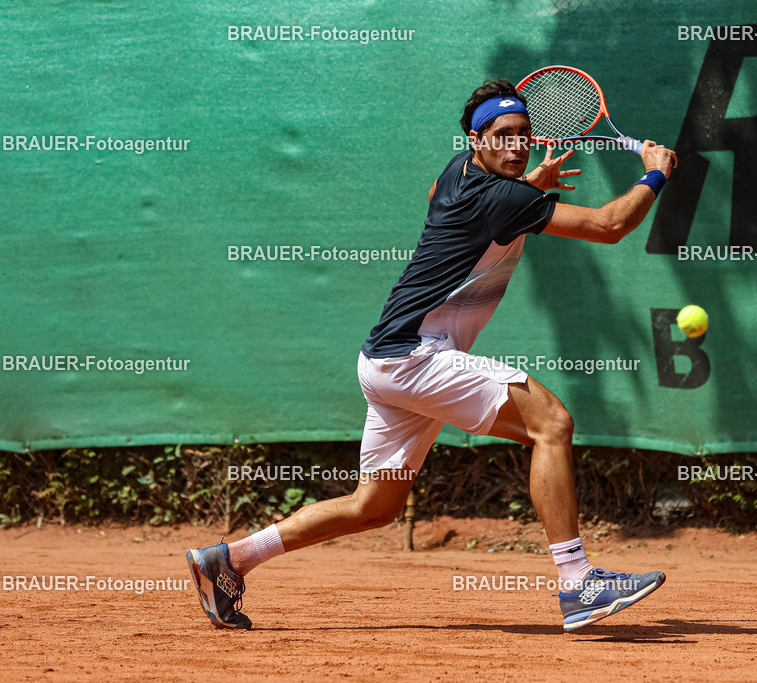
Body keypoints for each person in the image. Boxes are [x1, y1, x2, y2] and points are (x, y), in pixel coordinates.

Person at [187, 78, 677, 633]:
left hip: (384, 363)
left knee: (373, 507)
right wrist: (655, 172)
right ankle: (578, 582)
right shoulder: (503, 196)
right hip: (415, 357)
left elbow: (451, 209)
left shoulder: (456, 175)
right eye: (503, 136)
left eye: (524, 135)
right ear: (477, 139)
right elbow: (610, 225)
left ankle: (228, 560)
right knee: (552, 424)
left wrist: (529, 193)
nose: (518, 146)